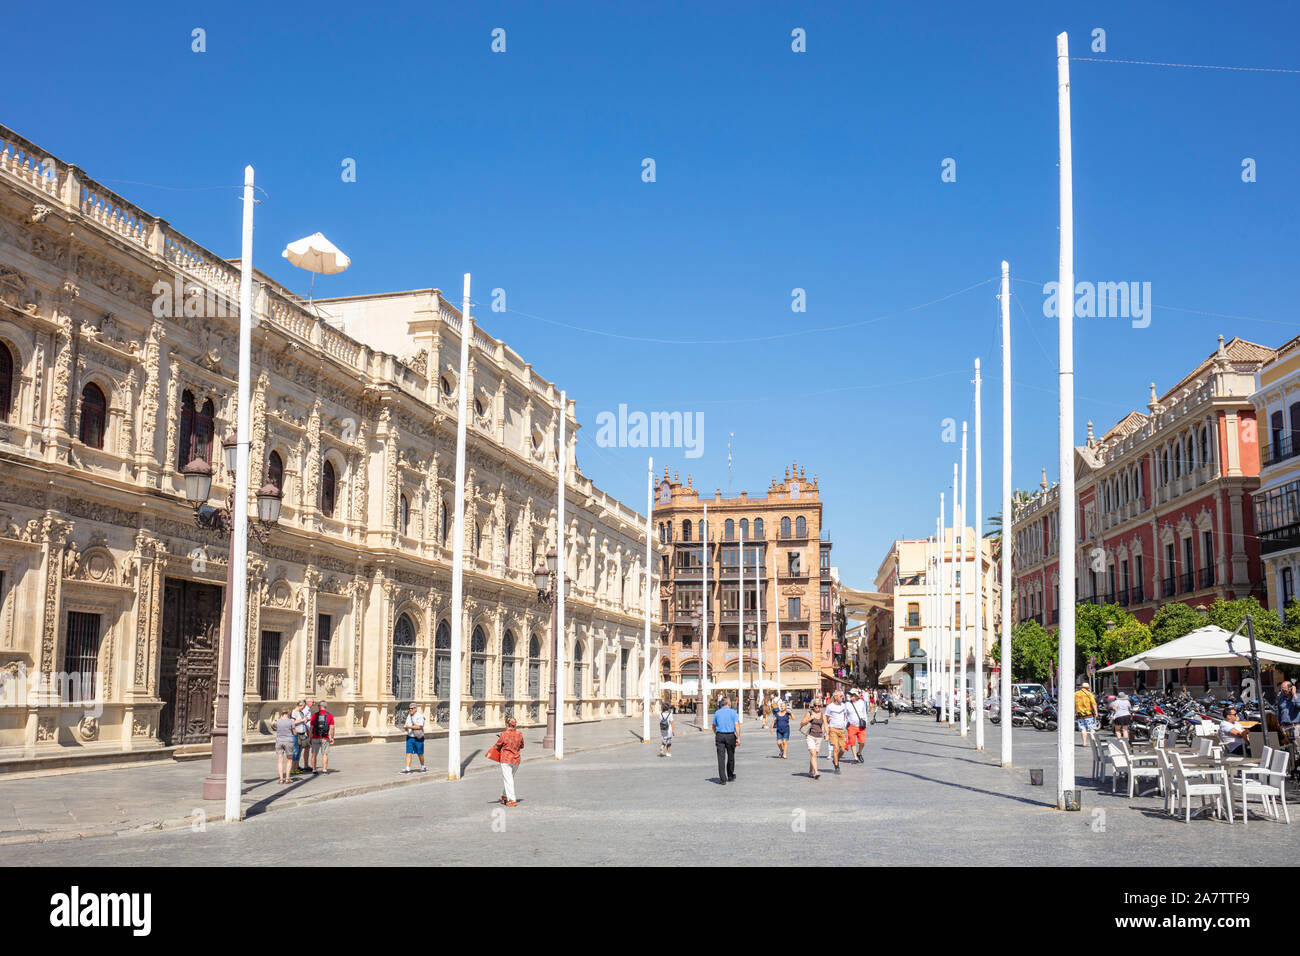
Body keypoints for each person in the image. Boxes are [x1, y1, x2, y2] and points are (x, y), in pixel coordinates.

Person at [489, 716, 524, 805]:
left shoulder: (504, 734)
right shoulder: (520, 734)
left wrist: (500, 738)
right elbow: (522, 746)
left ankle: (512, 800)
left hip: (506, 759)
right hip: (516, 760)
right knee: (509, 778)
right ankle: (504, 796)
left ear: (506, 724)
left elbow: (497, 746)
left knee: (508, 779)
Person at [712, 695, 740, 785]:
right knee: (731, 756)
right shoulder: (733, 712)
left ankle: (723, 779)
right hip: (730, 736)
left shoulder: (717, 713)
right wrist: (738, 737)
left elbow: (713, 725)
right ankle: (730, 775)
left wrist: (716, 733)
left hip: (720, 735)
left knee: (721, 758)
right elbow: (736, 725)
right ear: (728, 703)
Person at [824, 690, 850, 774]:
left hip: (842, 730)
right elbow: (826, 718)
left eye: (842, 696)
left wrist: (845, 723)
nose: (842, 698)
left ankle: (836, 759)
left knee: (842, 749)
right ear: (835, 697)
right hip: (833, 729)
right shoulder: (830, 707)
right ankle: (836, 766)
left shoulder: (844, 705)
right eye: (841, 696)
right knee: (835, 748)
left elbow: (845, 715)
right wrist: (827, 730)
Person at [1277, 680, 1300, 770]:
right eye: (1282, 690)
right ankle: (1290, 769)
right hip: (1284, 727)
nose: (1283, 692)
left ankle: (1297, 769)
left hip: (1295, 726)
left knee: (1297, 749)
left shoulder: (1297, 696)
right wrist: (1278, 724)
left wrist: (1294, 694)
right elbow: (1279, 711)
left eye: (1285, 690)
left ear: (1291, 689)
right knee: (1286, 749)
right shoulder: (1281, 698)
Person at [800, 700, 826, 779]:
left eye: (819, 706)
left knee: (814, 756)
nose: (817, 707)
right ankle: (816, 772)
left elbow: (824, 725)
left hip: (818, 737)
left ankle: (810, 771)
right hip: (810, 736)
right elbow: (802, 723)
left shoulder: (822, 715)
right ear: (813, 706)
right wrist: (810, 718)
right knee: (813, 754)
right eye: (815, 705)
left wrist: (824, 733)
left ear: (821, 706)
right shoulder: (809, 713)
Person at [310, 700, 334, 773]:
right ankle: (324, 770)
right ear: (325, 707)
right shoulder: (329, 715)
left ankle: (314, 769)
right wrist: (332, 737)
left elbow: (311, 727)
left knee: (314, 754)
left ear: (319, 707)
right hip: (325, 737)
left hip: (315, 737)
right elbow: (332, 728)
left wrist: (310, 737)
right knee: (325, 754)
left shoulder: (315, 715)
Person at [402, 702, 427, 773]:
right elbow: (407, 725)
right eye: (410, 708)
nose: (411, 710)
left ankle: (423, 766)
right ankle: (407, 768)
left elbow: (419, 726)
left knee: (420, 753)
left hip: (418, 737)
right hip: (410, 737)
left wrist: (408, 727)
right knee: (408, 753)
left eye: (412, 708)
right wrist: (406, 728)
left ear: (416, 709)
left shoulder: (420, 716)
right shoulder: (408, 716)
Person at [1074, 679, 1099, 749]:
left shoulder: (1076, 694)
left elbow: (1074, 704)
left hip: (1079, 714)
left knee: (1083, 729)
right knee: (1091, 728)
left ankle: (1084, 742)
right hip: (1089, 714)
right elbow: (1093, 703)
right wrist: (1096, 711)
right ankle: (1093, 742)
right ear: (1087, 688)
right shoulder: (1089, 694)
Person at [274, 709, 295, 784]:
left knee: (280, 761)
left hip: (279, 741)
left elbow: (277, 729)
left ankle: (281, 779)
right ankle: (287, 778)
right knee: (289, 759)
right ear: (288, 713)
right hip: (288, 741)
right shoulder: (290, 721)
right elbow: (294, 732)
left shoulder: (278, 721)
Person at [290, 698, 310, 775]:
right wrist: (302, 721)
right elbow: (293, 723)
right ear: (300, 705)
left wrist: (306, 720)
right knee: (295, 751)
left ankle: (296, 766)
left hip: (302, 734)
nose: (304, 708)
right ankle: (292, 768)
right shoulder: (294, 712)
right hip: (296, 734)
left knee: (299, 751)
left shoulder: (301, 713)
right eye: (303, 706)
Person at [848, 689, 869, 761]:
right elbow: (845, 714)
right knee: (852, 742)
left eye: (852, 695)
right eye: (850, 694)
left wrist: (866, 723)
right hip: (851, 726)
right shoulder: (847, 704)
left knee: (862, 742)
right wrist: (846, 724)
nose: (850, 696)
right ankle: (855, 757)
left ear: (856, 695)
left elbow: (864, 713)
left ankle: (859, 753)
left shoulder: (862, 703)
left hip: (861, 726)